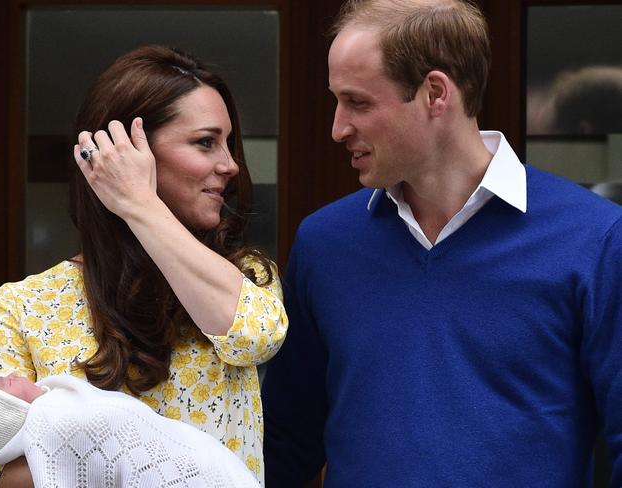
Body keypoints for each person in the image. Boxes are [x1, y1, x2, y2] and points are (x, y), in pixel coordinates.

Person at [261, 0, 622, 486]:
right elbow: (284, 444)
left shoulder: (594, 239)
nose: (337, 128)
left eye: (359, 102)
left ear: (435, 93)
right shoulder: (324, 245)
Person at [0, 45, 287, 487]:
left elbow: (256, 335)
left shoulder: (245, 273)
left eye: (228, 144)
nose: (230, 165)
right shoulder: (24, 307)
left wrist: (140, 205)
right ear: (123, 151)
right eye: (205, 142)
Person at [0, 374, 260, 487]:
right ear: (5, 413)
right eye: (2, 385)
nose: (9, 375)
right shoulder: (54, 421)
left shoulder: (59, 410)